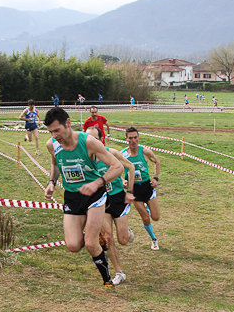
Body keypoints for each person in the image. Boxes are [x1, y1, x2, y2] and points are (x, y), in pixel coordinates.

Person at [44, 107, 124, 289]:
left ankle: (107, 281)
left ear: (68, 123)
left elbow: (117, 167)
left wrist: (97, 183)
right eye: (50, 132)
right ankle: (95, 232)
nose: (54, 135)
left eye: (57, 130)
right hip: (72, 197)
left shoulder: (88, 142)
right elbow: (55, 164)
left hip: (94, 196)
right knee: (73, 245)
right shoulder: (52, 144)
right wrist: (51, 182)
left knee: (90, 244)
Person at [86, 126, 136, 285]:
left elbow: (131, 167)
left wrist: (130, 191)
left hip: (118, 198)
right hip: (101, 201)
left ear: (101, 140)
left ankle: (126, 231)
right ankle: (119, 273)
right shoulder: (84, 159)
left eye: (95, 139)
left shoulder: (112, 153)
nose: (90, 142)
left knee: (123, 240)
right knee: (108, 238)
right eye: (88, 139)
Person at [121, 126, 161, 250]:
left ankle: (147, 207)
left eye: (135, 137)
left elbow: (157, 161)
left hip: (146, 187)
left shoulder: (145, 152)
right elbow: (115, 168)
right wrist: (123, 180)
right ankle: (153, 239)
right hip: (134, 190)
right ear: (126, 139)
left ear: (138, 137)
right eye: (130, 138)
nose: (133, 141)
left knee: (156, 217)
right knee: (145, 218)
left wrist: (155, 178)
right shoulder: (122, 154)